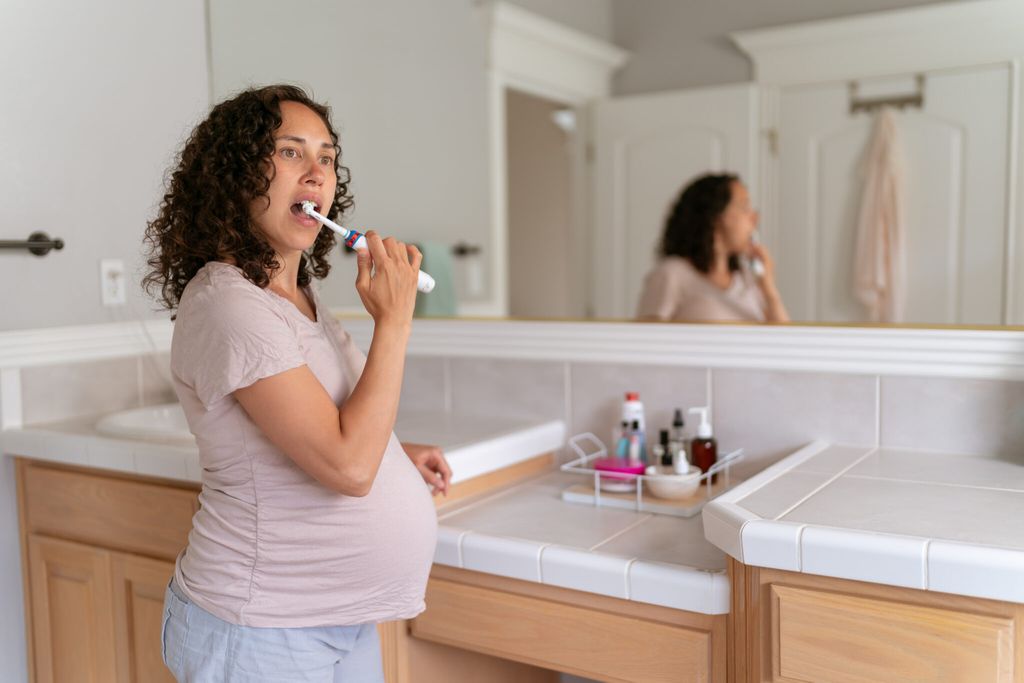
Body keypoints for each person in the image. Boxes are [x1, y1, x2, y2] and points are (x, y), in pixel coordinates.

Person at [142, 84, 451, 682]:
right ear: (235, 176)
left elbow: (328, 427)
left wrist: (394, 457)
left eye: (327, 157)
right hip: (259, 631)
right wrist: (394, 321)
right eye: (290, 153)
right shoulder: (231, 306)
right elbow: (346, 467)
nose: (316, 174)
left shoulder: (295, 297)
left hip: (332, 619)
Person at [636, 173, 789, 323]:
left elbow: (784, 342)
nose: (755, 218)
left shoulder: (747, 280)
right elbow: (645, 340)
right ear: (716, 215)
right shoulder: (672, 274)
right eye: (744, 207)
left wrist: (768, 287)